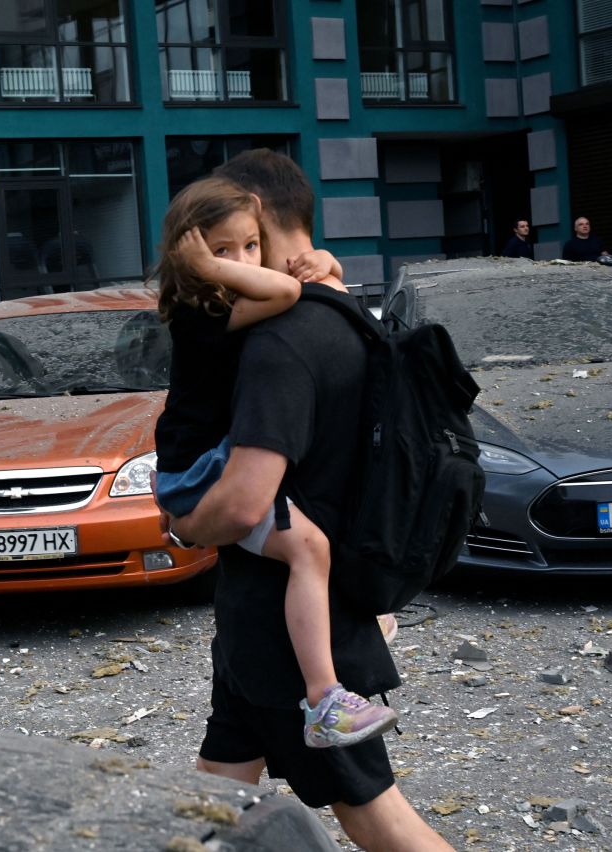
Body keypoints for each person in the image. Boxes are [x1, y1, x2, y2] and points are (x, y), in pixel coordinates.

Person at [169, 149, 453, 851]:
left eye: (238, 237)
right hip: (270, 628)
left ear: (254, 213)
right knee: (212, 798)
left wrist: (181, 527)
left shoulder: (281, 342)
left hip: (288, 641)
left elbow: (242, 504)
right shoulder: (342, 309)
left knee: (377, 818)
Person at [153, 175, 398, 750]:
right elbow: (286, 294)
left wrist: (326, 264)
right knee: (307, 547)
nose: (241, 260)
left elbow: (315, 287)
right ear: (189, 258)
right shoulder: (200, 310)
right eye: (221, 250)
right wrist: (215, 272)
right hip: (196, 471)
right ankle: (324, 701)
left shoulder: (232, 298)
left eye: (251, 245)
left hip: (203, 463)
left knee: (228, 766)